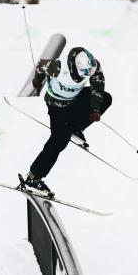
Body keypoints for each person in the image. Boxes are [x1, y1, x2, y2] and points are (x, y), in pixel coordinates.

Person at [21, 47, 112, 196]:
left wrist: (95, 110)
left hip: (74, 100)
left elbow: (97, 85)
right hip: (56, 106)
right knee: (58, 141)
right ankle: (33, 177)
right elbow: (41, 65)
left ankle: (76, 127)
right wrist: (37, 81)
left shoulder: (93, 66)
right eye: (85, 73)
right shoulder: (58, 67)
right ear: (76, 67)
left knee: (106, 99)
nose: (87, 75)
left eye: (90, 72)